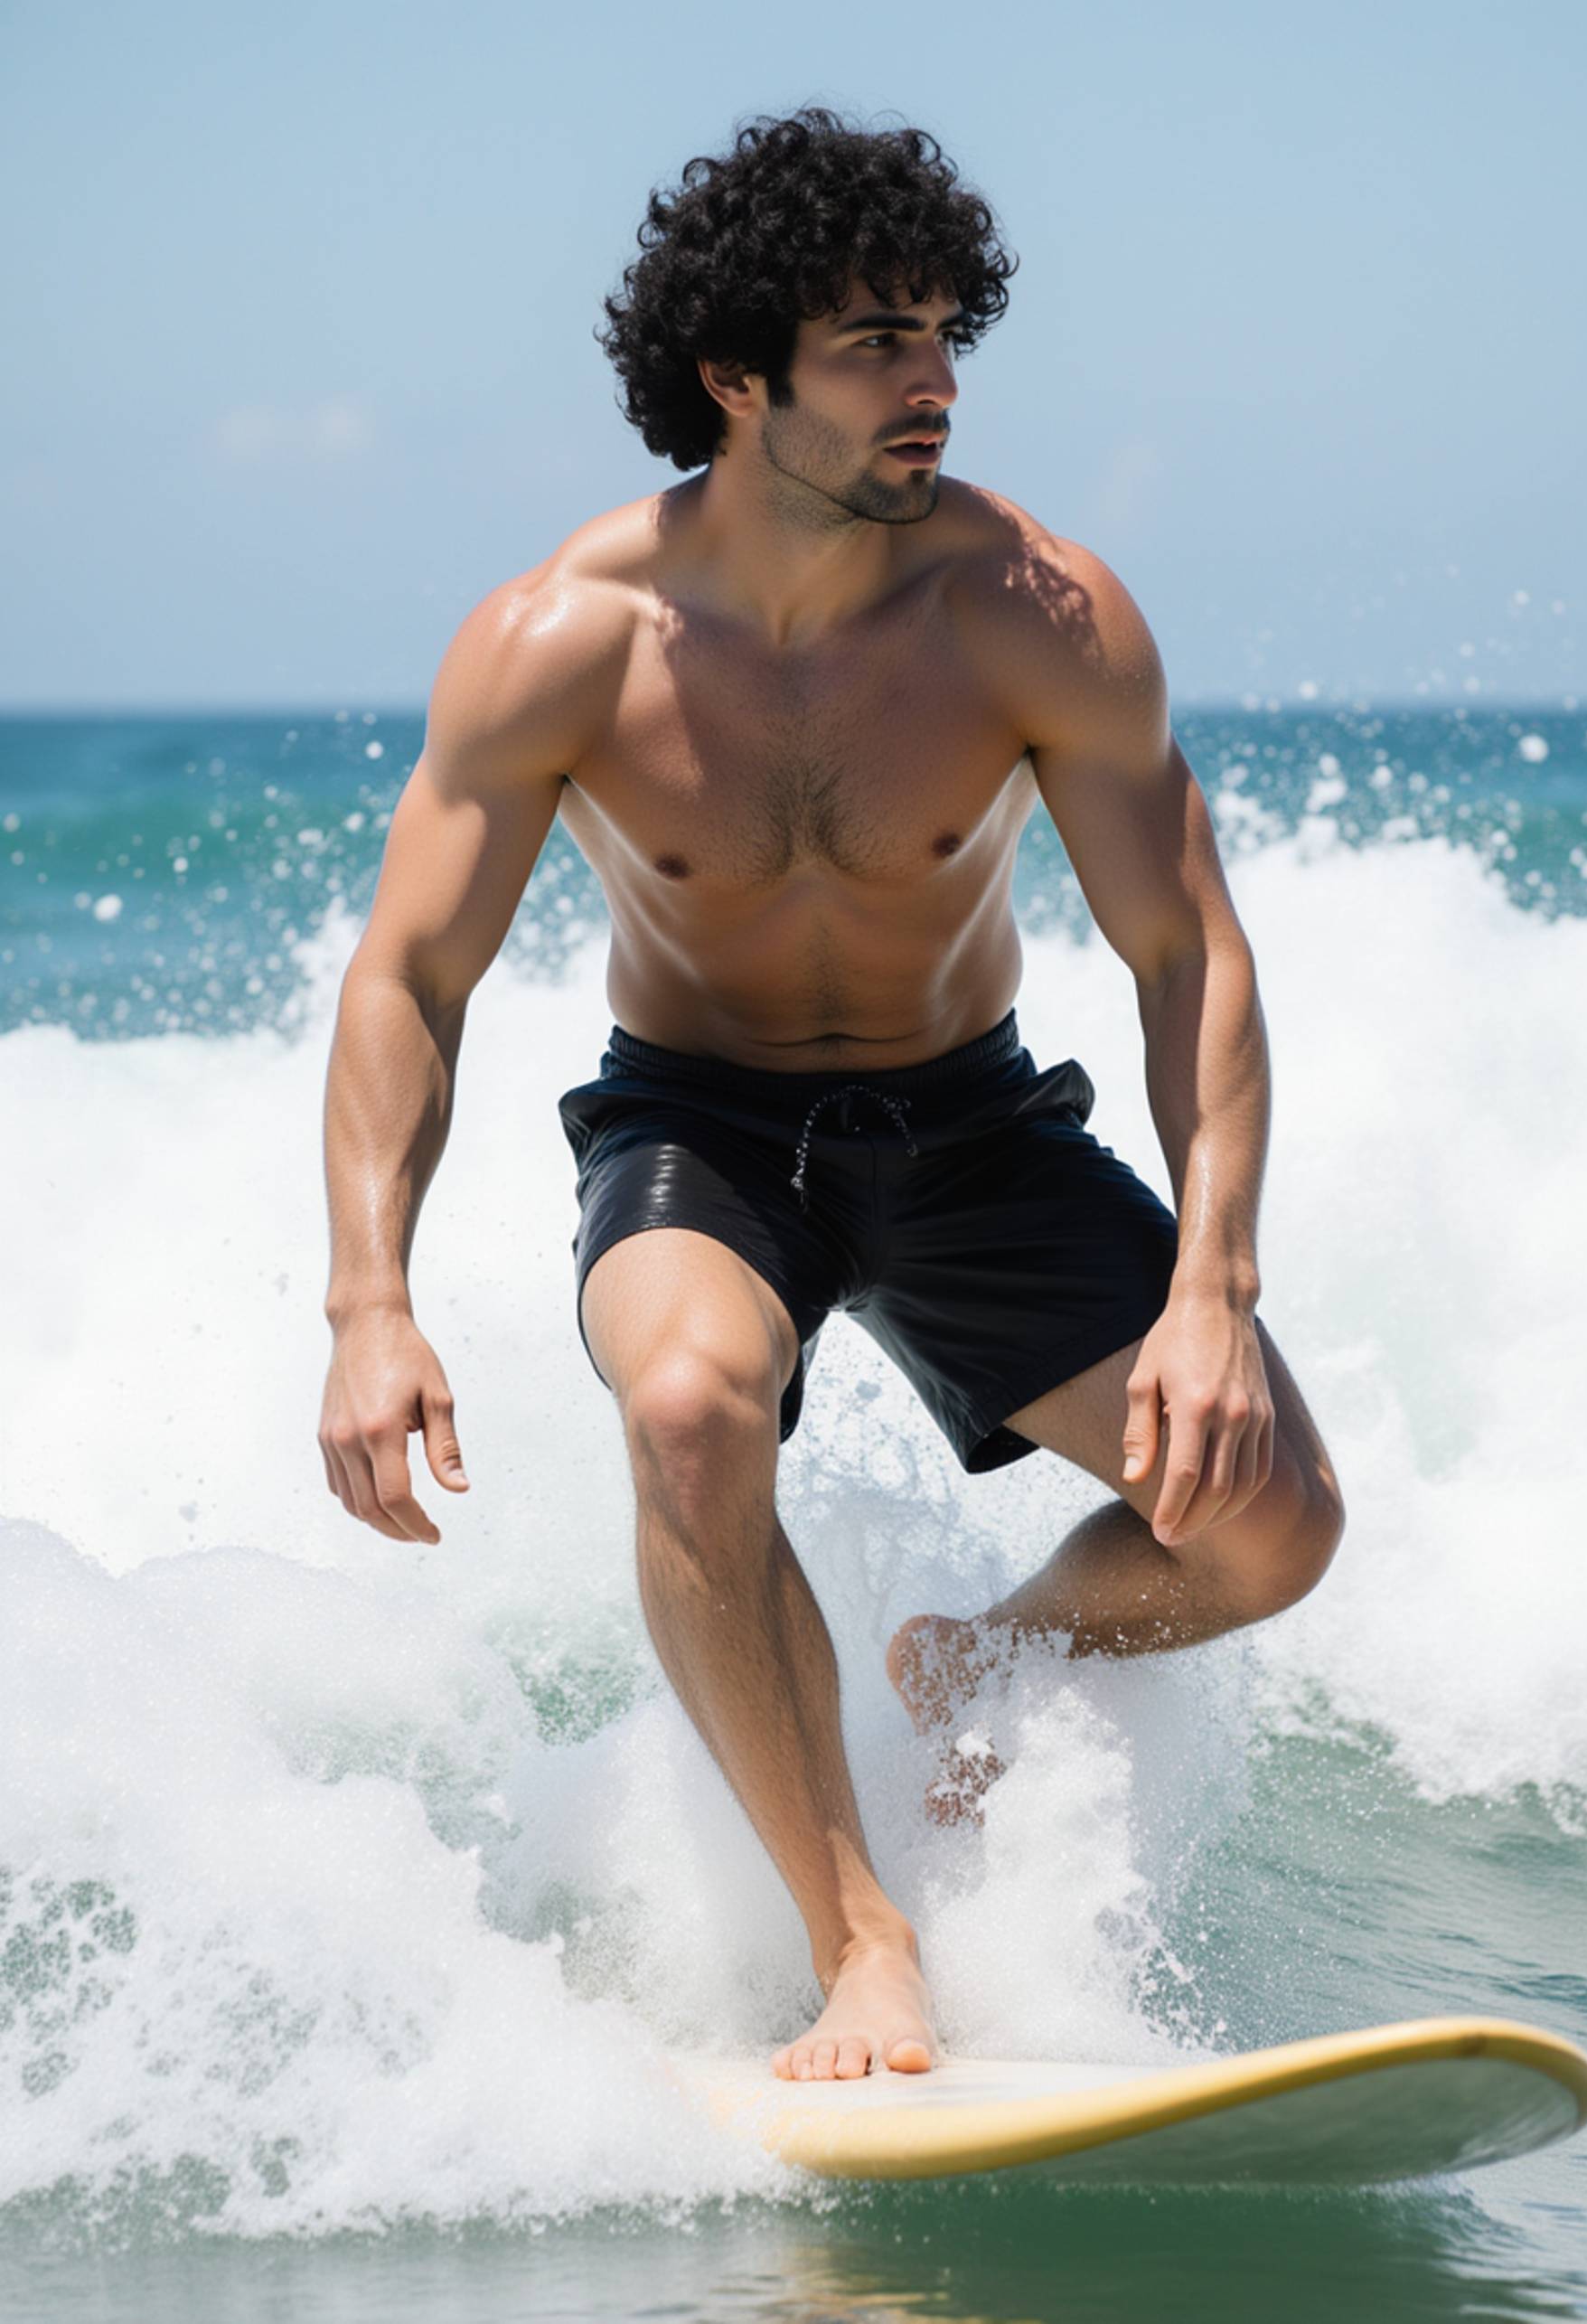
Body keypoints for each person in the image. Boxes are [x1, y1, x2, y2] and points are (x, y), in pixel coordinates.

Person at [318, 108, 1345, 2087]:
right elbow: (408, 973)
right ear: (734, 374)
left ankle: (990, 1653)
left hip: (970, 1124)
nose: (935, 381)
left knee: (1265, 1526)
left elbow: (1185, 949)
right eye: (878, 339)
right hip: (694, 1128)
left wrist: (1211, 1283)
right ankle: (858, 1939)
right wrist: (371, 1299)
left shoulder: (1032, 613)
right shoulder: (562, 641)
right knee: (690, 1409)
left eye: (949, 331)